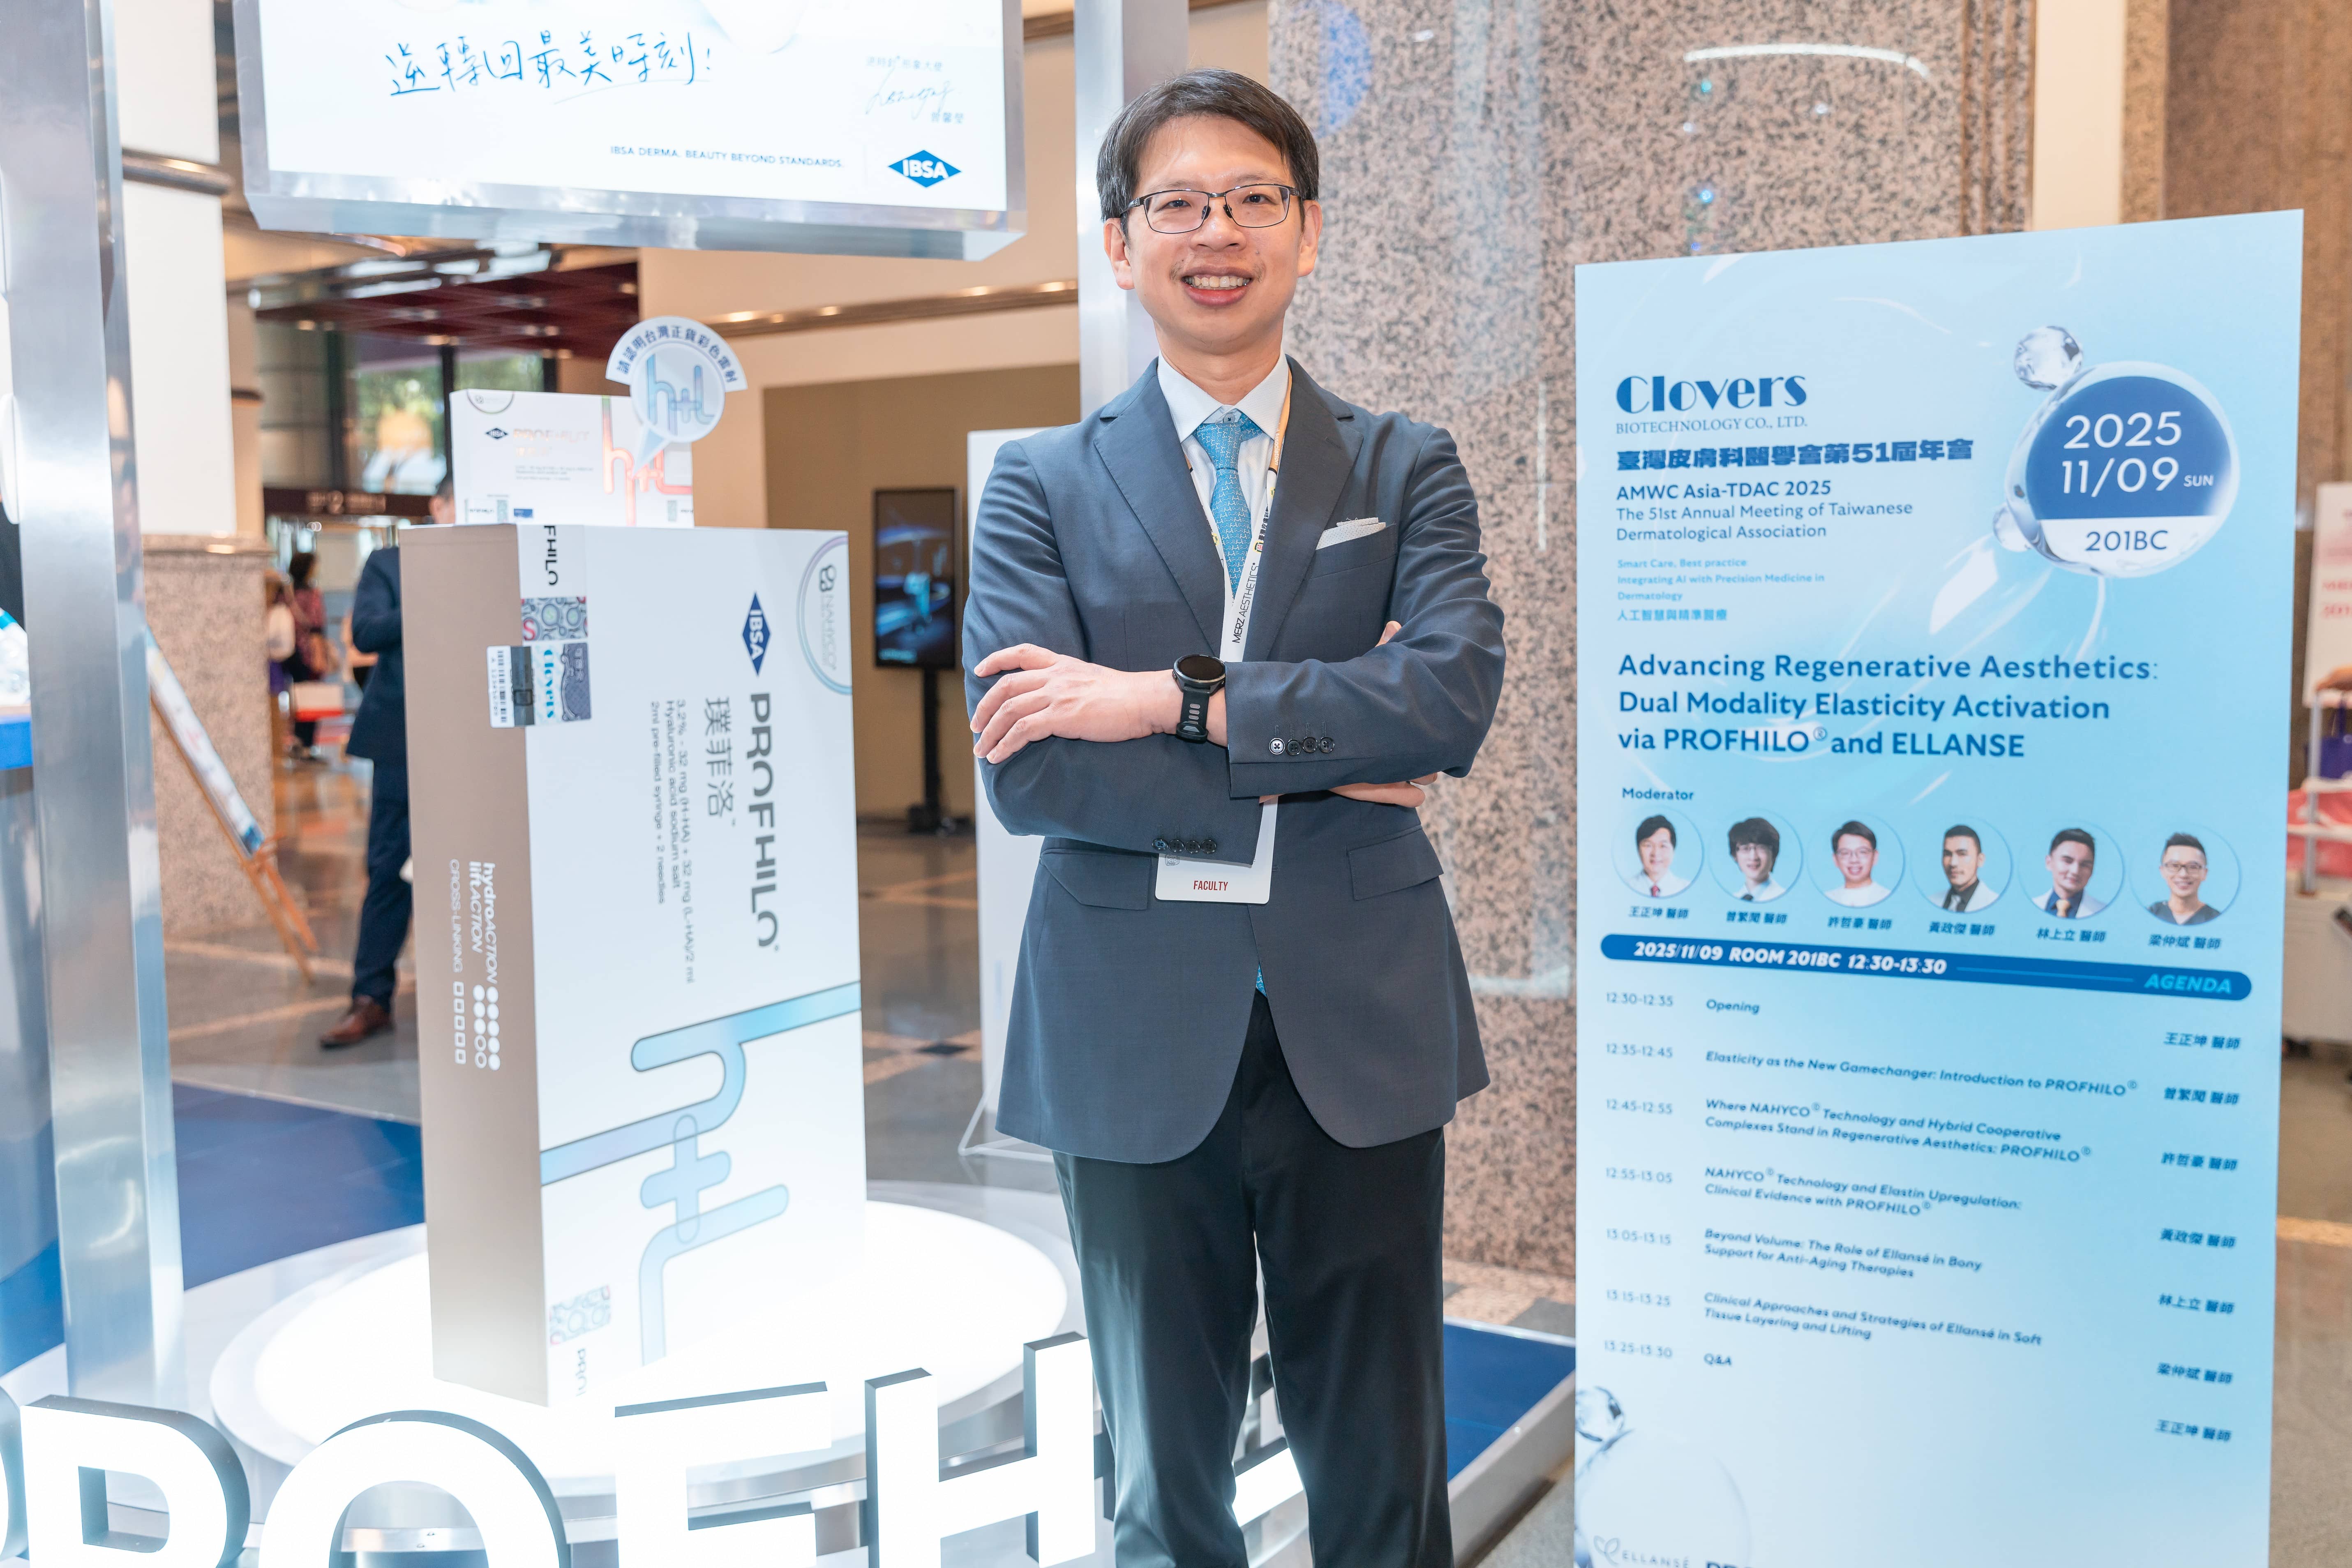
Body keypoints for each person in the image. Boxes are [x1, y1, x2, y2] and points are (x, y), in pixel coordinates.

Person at [961, 69, 1505, 1568]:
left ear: (1307, 230)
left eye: (1254, 198)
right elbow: (1033, 770)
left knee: (1383, 1468)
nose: (1219, 232)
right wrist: (1327, 741)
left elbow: (1446, 699)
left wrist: (1162, 698)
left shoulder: (1403, 465)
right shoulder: (1038, 487)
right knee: (1162, 1478)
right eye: (1178, 203)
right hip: (1129, 1024)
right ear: (1120, 243)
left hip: (1358, 1020)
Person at [320, 483, 450, 1047]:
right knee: (389, 866)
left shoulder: (504, 558)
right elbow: (368, 632)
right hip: (403, 739)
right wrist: (434, 597)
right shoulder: (391, 563)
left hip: (480, 740)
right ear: (439, 507)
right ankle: (371, 997)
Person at [284, 551, 333, 757]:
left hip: (289, 651)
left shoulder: (286, 594)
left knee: (297, 695)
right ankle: (306, 744)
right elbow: (317, 625)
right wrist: (322, 654)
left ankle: (297, 739)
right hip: (309, 653)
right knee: (312, 696)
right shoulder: (313, 594)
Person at [2032, 827, 2105, 918]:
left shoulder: (2103, 912)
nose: (2075, 871)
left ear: (2092, 869)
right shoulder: (2031, 907)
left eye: (2084, 865)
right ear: (2049, 863)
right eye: (2068, 861)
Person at [2149, 832, 2219, 924]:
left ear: (2205, 873)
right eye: (2174, 866)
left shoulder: (2218, 920)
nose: (2183, 875)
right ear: (2162, 871)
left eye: (2193, 867)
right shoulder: (2150, 914)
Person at [1824, 819, 1892, 906]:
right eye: (1845, 853)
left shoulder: (1888, 897)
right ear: (1835, 859)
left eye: (1862, 852)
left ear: (1875, 857)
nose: (1854, 860)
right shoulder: (1827, 899)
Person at [1936, 825, 1999, 912]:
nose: (1953, 863)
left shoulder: (1995, 903)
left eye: (1962, 854)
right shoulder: (1932, 901)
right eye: (1947, 854)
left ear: (1980, 860)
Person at [1630, 813, 1690, 897]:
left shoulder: (1687, 889)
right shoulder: (1624, 888)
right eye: (1648, 845)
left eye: (1663, 846)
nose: (1656, 853)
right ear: (1638, 850)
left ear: (1673, 850)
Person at [1726, 816, 1784, 901]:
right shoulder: (1733, 899)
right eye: (1745, 848)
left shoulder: (1782, 897)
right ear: (1735, 855)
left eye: (1761, 848)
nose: (1753, 857)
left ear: (1774, 854)